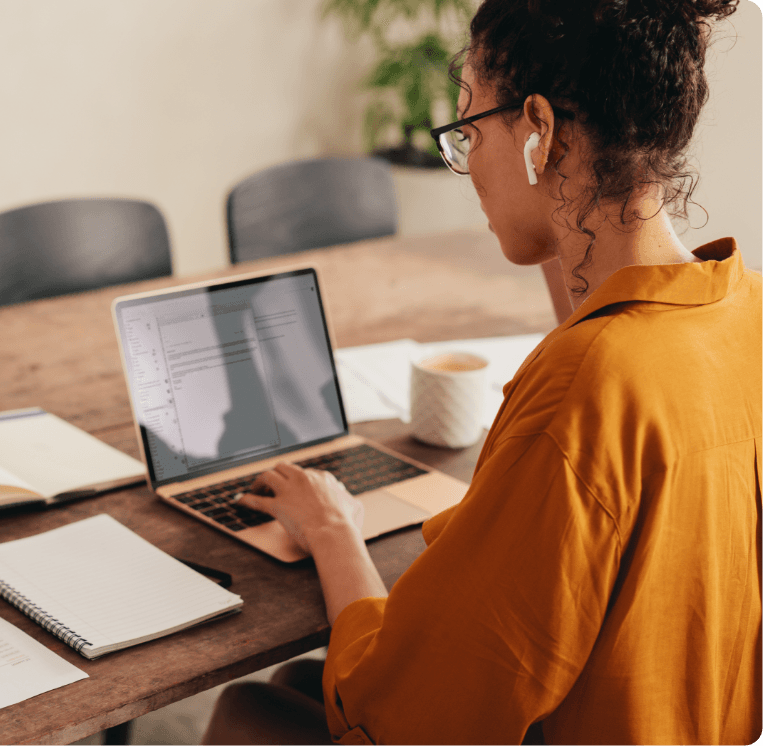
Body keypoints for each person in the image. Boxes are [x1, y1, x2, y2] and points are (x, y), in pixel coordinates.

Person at [202, 0, 762, 743]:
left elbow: (403, 717)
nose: (465, 164)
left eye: (466, 127)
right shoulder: (739, 311)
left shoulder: (584, 388)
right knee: (296, 683)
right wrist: (557, 230)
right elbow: (628, 344)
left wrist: (334, 531)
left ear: (538, 130)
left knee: (253, 712)